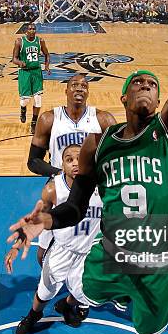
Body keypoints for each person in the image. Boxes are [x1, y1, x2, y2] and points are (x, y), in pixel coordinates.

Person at [8, 0, 168, 334]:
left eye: (153, 85)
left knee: (149, 328)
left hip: (161, 256)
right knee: (82, 292)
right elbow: (74, 206)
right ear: (124, 94)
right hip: (115, 250)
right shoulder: (101, 143)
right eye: (139, 84)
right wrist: (39, 220)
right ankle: (85, 302)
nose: (148, 88)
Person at [5, 144, 102, 334]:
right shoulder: (53, 189)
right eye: (69, 160)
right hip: (63, 248)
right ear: (62, 165)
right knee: (45, 289)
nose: (75, 163)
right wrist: (21, 241)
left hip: (90, 251)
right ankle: (33, 315)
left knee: (83, 290)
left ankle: (66, 306)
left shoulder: (103, 186)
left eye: (79, 159)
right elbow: (41, 219)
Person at [27, 73, 116, 266]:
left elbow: (115, 158)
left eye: (84, 86)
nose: (79, 88)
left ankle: (84, 288)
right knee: (44, 253)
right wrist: (58, 173)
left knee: (93, 245)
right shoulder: (49, 119)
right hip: (60, 189)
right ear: (66, 90)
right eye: (74, 85)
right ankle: (50, 283)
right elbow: (33, 161)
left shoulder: (103, 120)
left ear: (88, 92)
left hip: (91, 190)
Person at [12, 23, 51, 134]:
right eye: (30, 29)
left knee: (38, 99)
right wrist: (20, 62)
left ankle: (34, 123)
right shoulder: (19, 41)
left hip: (36, 71)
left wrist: (47, 66)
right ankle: (23, 109)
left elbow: (47, 55)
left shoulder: (40, 41)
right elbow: (14, 59)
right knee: (25, 101)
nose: (32, 30)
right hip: (25, 72)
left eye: (34, 29)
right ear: (26, 31)